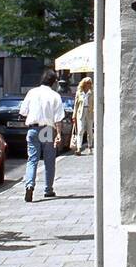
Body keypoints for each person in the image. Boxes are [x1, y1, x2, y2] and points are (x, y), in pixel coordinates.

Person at [19, 69, 66, 201]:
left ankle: (29, 186)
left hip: (33, 128)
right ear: (54, 82)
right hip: (47, 129)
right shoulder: (55, 96)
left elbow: (23, 111)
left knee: (32, 159)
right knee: (49, 160)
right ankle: (48, 189)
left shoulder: (32, 92)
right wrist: (59, 134)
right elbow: (58, 118)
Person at [71, 76, 94, 154]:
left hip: (89, 112)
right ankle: (79, 148)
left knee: (90, 131)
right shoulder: (79, 92)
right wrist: (74, 115)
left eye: (90, 83)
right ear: (84, 83)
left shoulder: (92, 92)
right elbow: (76, 105)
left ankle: (90, 147)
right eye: (87, 83)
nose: (88, 84)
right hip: (80, 112)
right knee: (80, 130)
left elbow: (94, 104)